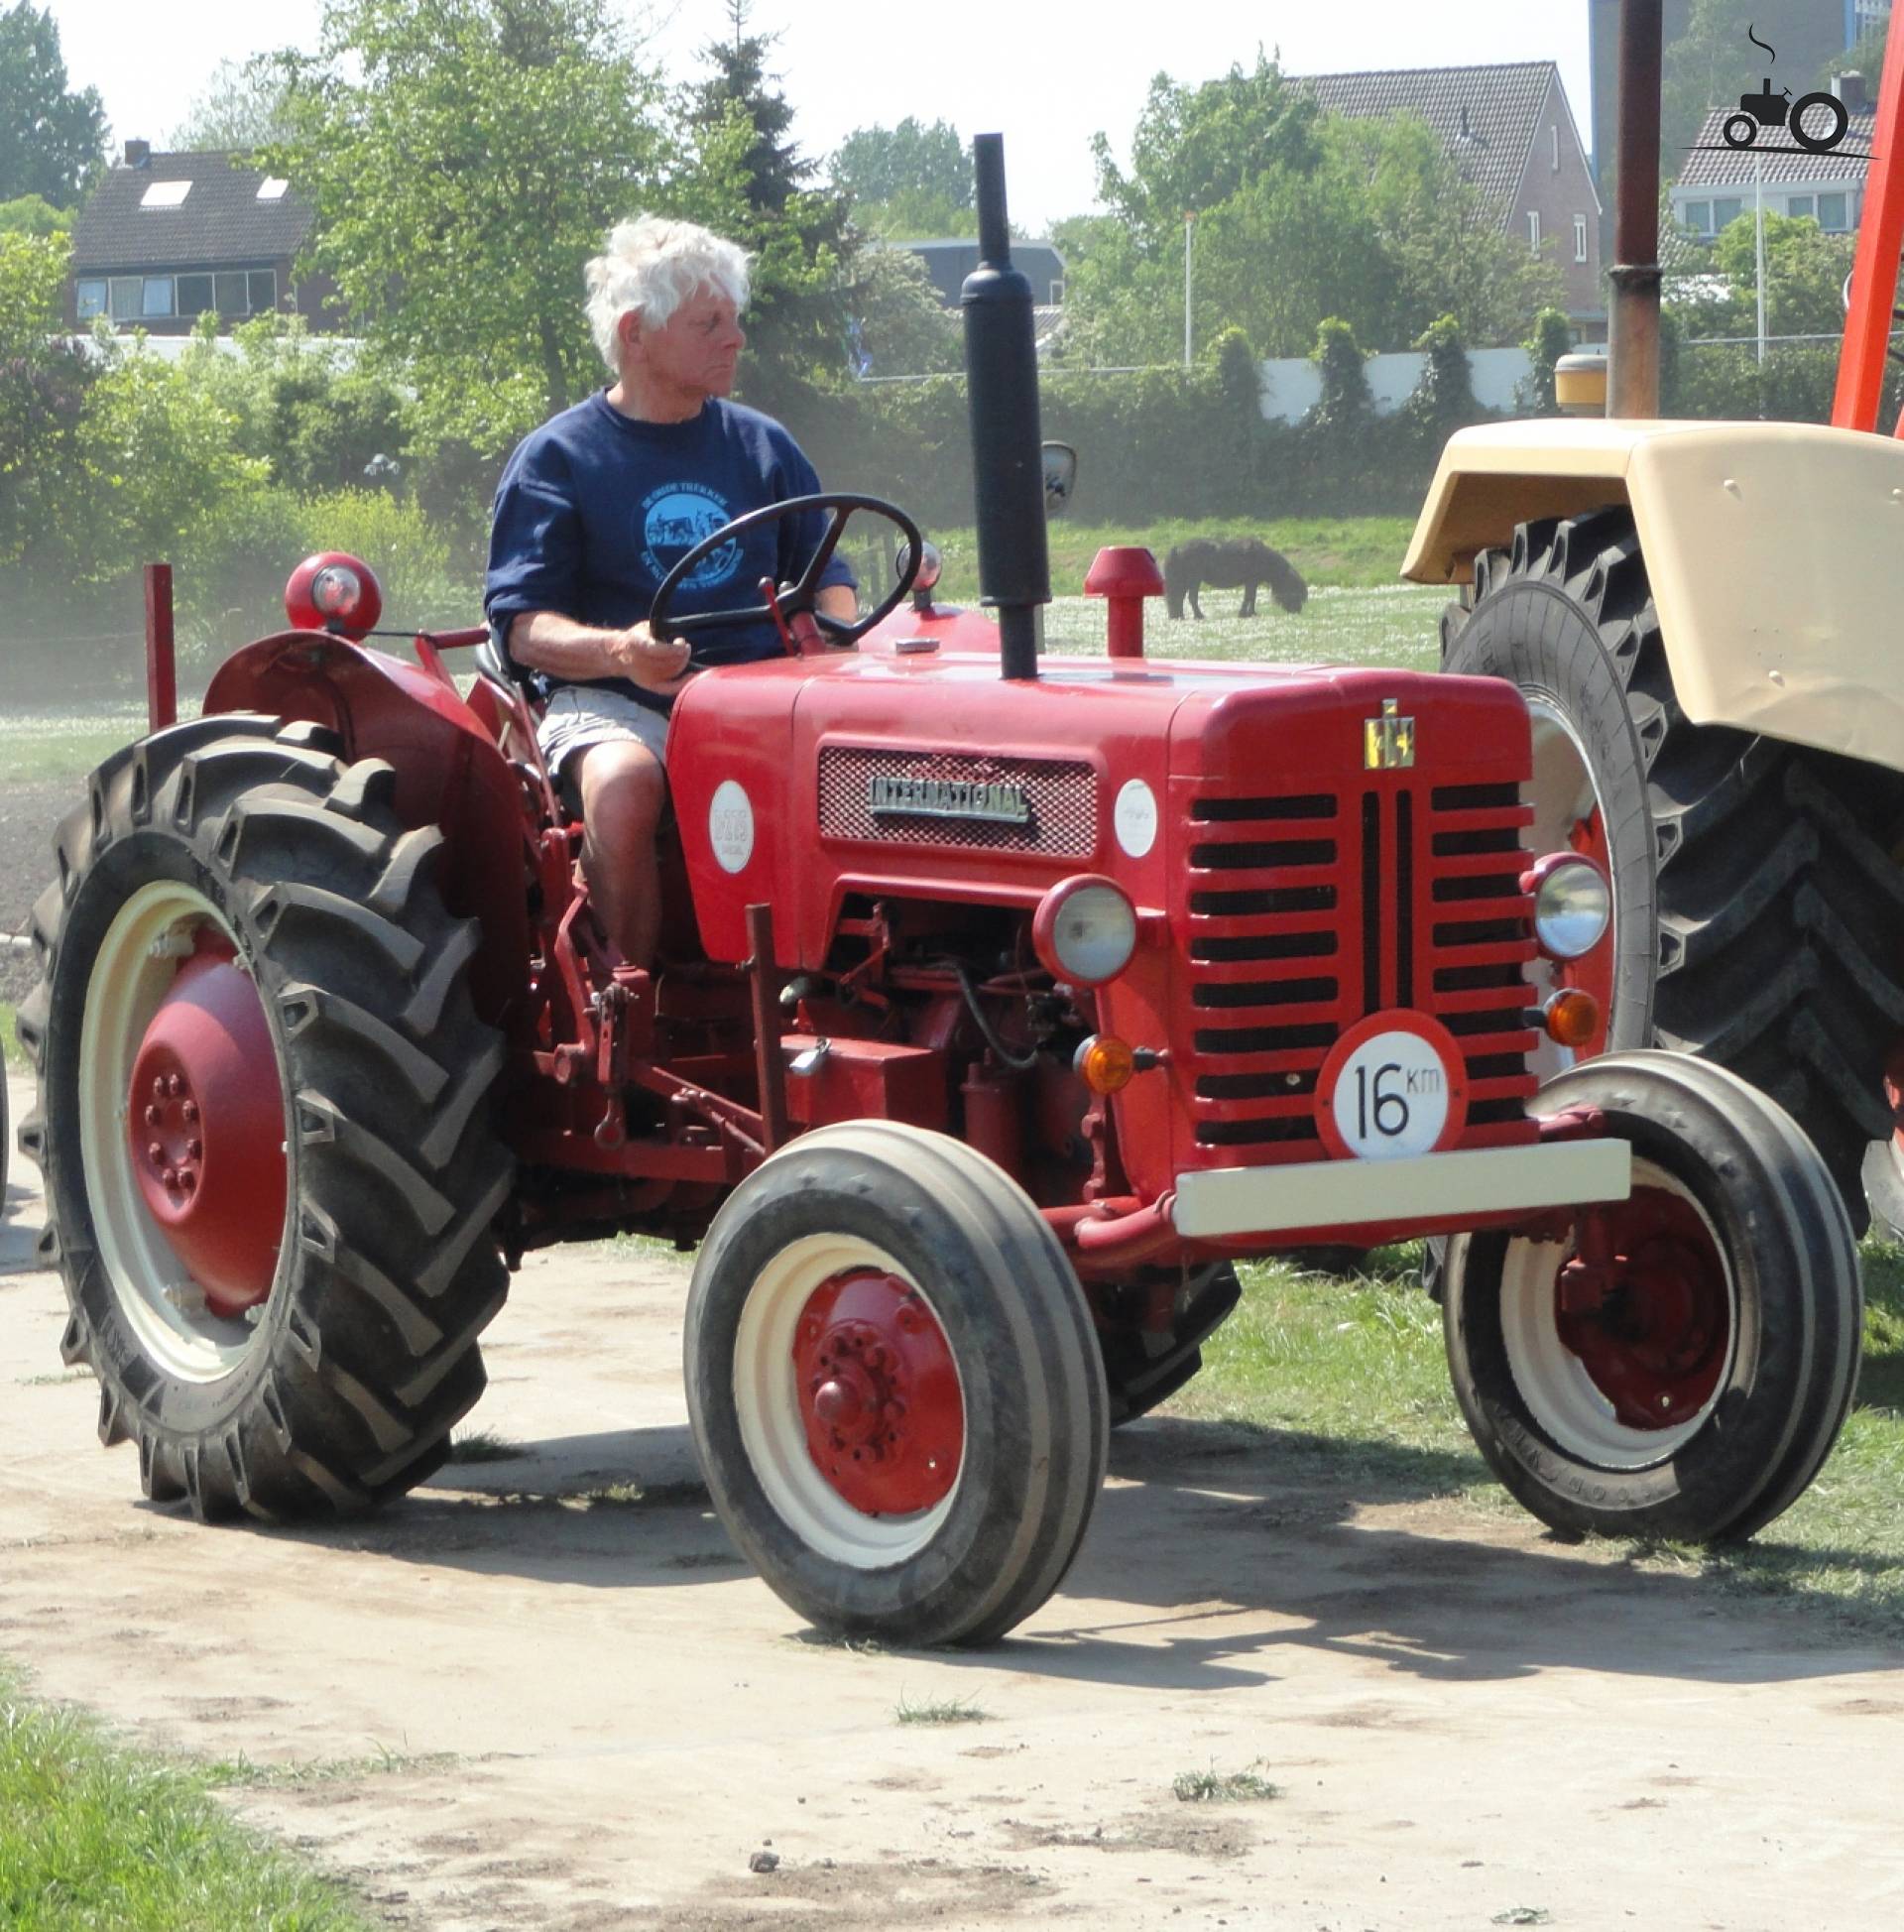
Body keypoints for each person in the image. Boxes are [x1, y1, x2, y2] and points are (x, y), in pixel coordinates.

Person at [484, 215, 858, 967]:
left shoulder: (763, 445)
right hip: (621, 700)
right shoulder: (558, 458)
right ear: (636, 332)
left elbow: (832, 588)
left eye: (735, 319)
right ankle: (633, 1006)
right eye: (708, 322)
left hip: (761, 696)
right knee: (622, 788)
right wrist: (624, 652)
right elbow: (523, 629)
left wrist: (831, 647)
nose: (736, 339)